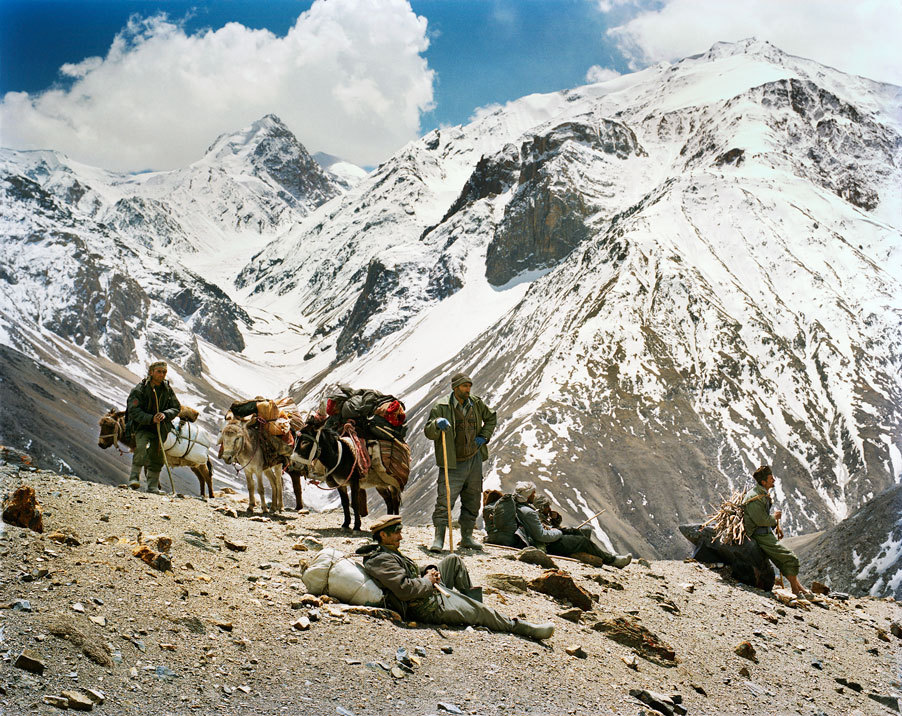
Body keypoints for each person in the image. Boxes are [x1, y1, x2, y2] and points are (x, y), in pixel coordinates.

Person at [358, 516, 554, 640]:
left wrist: (429, 569)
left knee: (452, 560)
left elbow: (408, 571)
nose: (400, 537)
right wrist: (428, 581)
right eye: (396, 533)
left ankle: (473, 608)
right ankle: (518, 626)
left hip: (427, 591)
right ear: (382, 534)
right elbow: (405, 589)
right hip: (425, 606)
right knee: (481, 612)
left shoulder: (389, 551)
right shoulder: (380, 559)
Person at [424, 373, 497, 551]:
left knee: (472, 498)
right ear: (455, 388)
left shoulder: (476, 403)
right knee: (445, 500)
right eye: (464, 386)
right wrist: (436, 424)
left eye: (469, 386)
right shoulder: (441, 406)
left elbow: (491, 418)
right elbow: (429, 431)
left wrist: (483, 436)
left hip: (474, 458)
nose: (467, 390)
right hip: (453, 461)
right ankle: (439, 539)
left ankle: (467, 537)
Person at [514, 482, 632, 568]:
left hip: (547, 539)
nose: (534, 496)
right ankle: (612, 560)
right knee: (582, 541)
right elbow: (541, 536)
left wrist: (555, 522)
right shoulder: (529, 512)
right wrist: (558, 532)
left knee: (576, 533)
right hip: (547, 544)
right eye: (532, 494)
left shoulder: (523, 508)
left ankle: (601, 554)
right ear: (527, 495)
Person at [742, 465, 809, 596]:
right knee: (790, 558)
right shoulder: (755, 498)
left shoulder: (761, 494)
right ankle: (796, 590)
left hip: (765, 533)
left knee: (784, 559)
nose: (773, 479)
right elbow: (760, 520)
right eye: (770, 478)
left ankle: (798, 588)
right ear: (763, 482)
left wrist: (775, 526)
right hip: (759, 535)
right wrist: (774, 518)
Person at [125, 361, 181, 493]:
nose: (162, 375)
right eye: (159, 371)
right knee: (140, 449)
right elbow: (133, 410)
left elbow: (176, 407)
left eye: (164, 372)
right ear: (151, 372)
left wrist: (165, 415)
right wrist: (151, 418)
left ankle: (152, 486)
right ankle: (134, 479)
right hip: (142, 426)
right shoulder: (140, 389)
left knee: (157, 455)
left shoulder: (167, 390)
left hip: (161, 428)